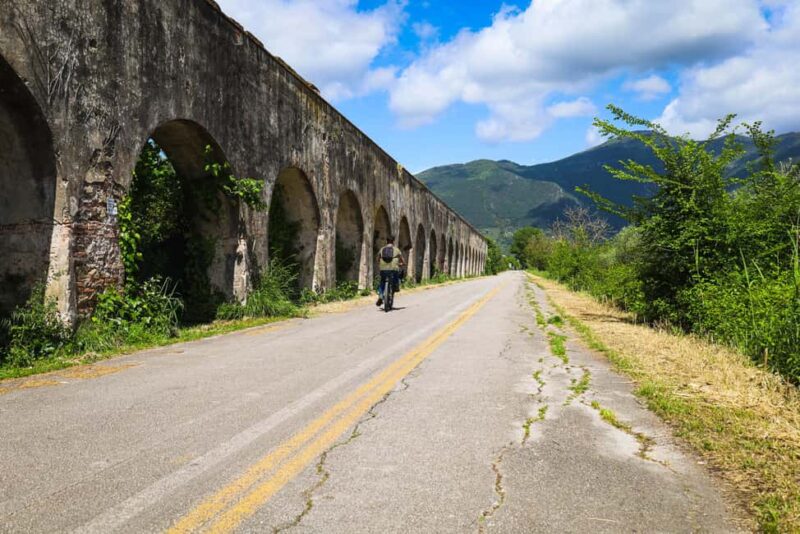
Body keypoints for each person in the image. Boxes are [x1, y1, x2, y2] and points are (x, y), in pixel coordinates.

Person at [376, 236, 405, 307]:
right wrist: (403, 264)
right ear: (393, 242)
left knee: (382, 282)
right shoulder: (397, 250)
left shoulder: (382, 249)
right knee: (396, 279)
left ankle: (380, 295)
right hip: (393, 269)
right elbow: (402, 260)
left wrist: (380, 263)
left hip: (383, 269)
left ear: (386, 241)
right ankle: (396, 287)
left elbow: (378, 259)